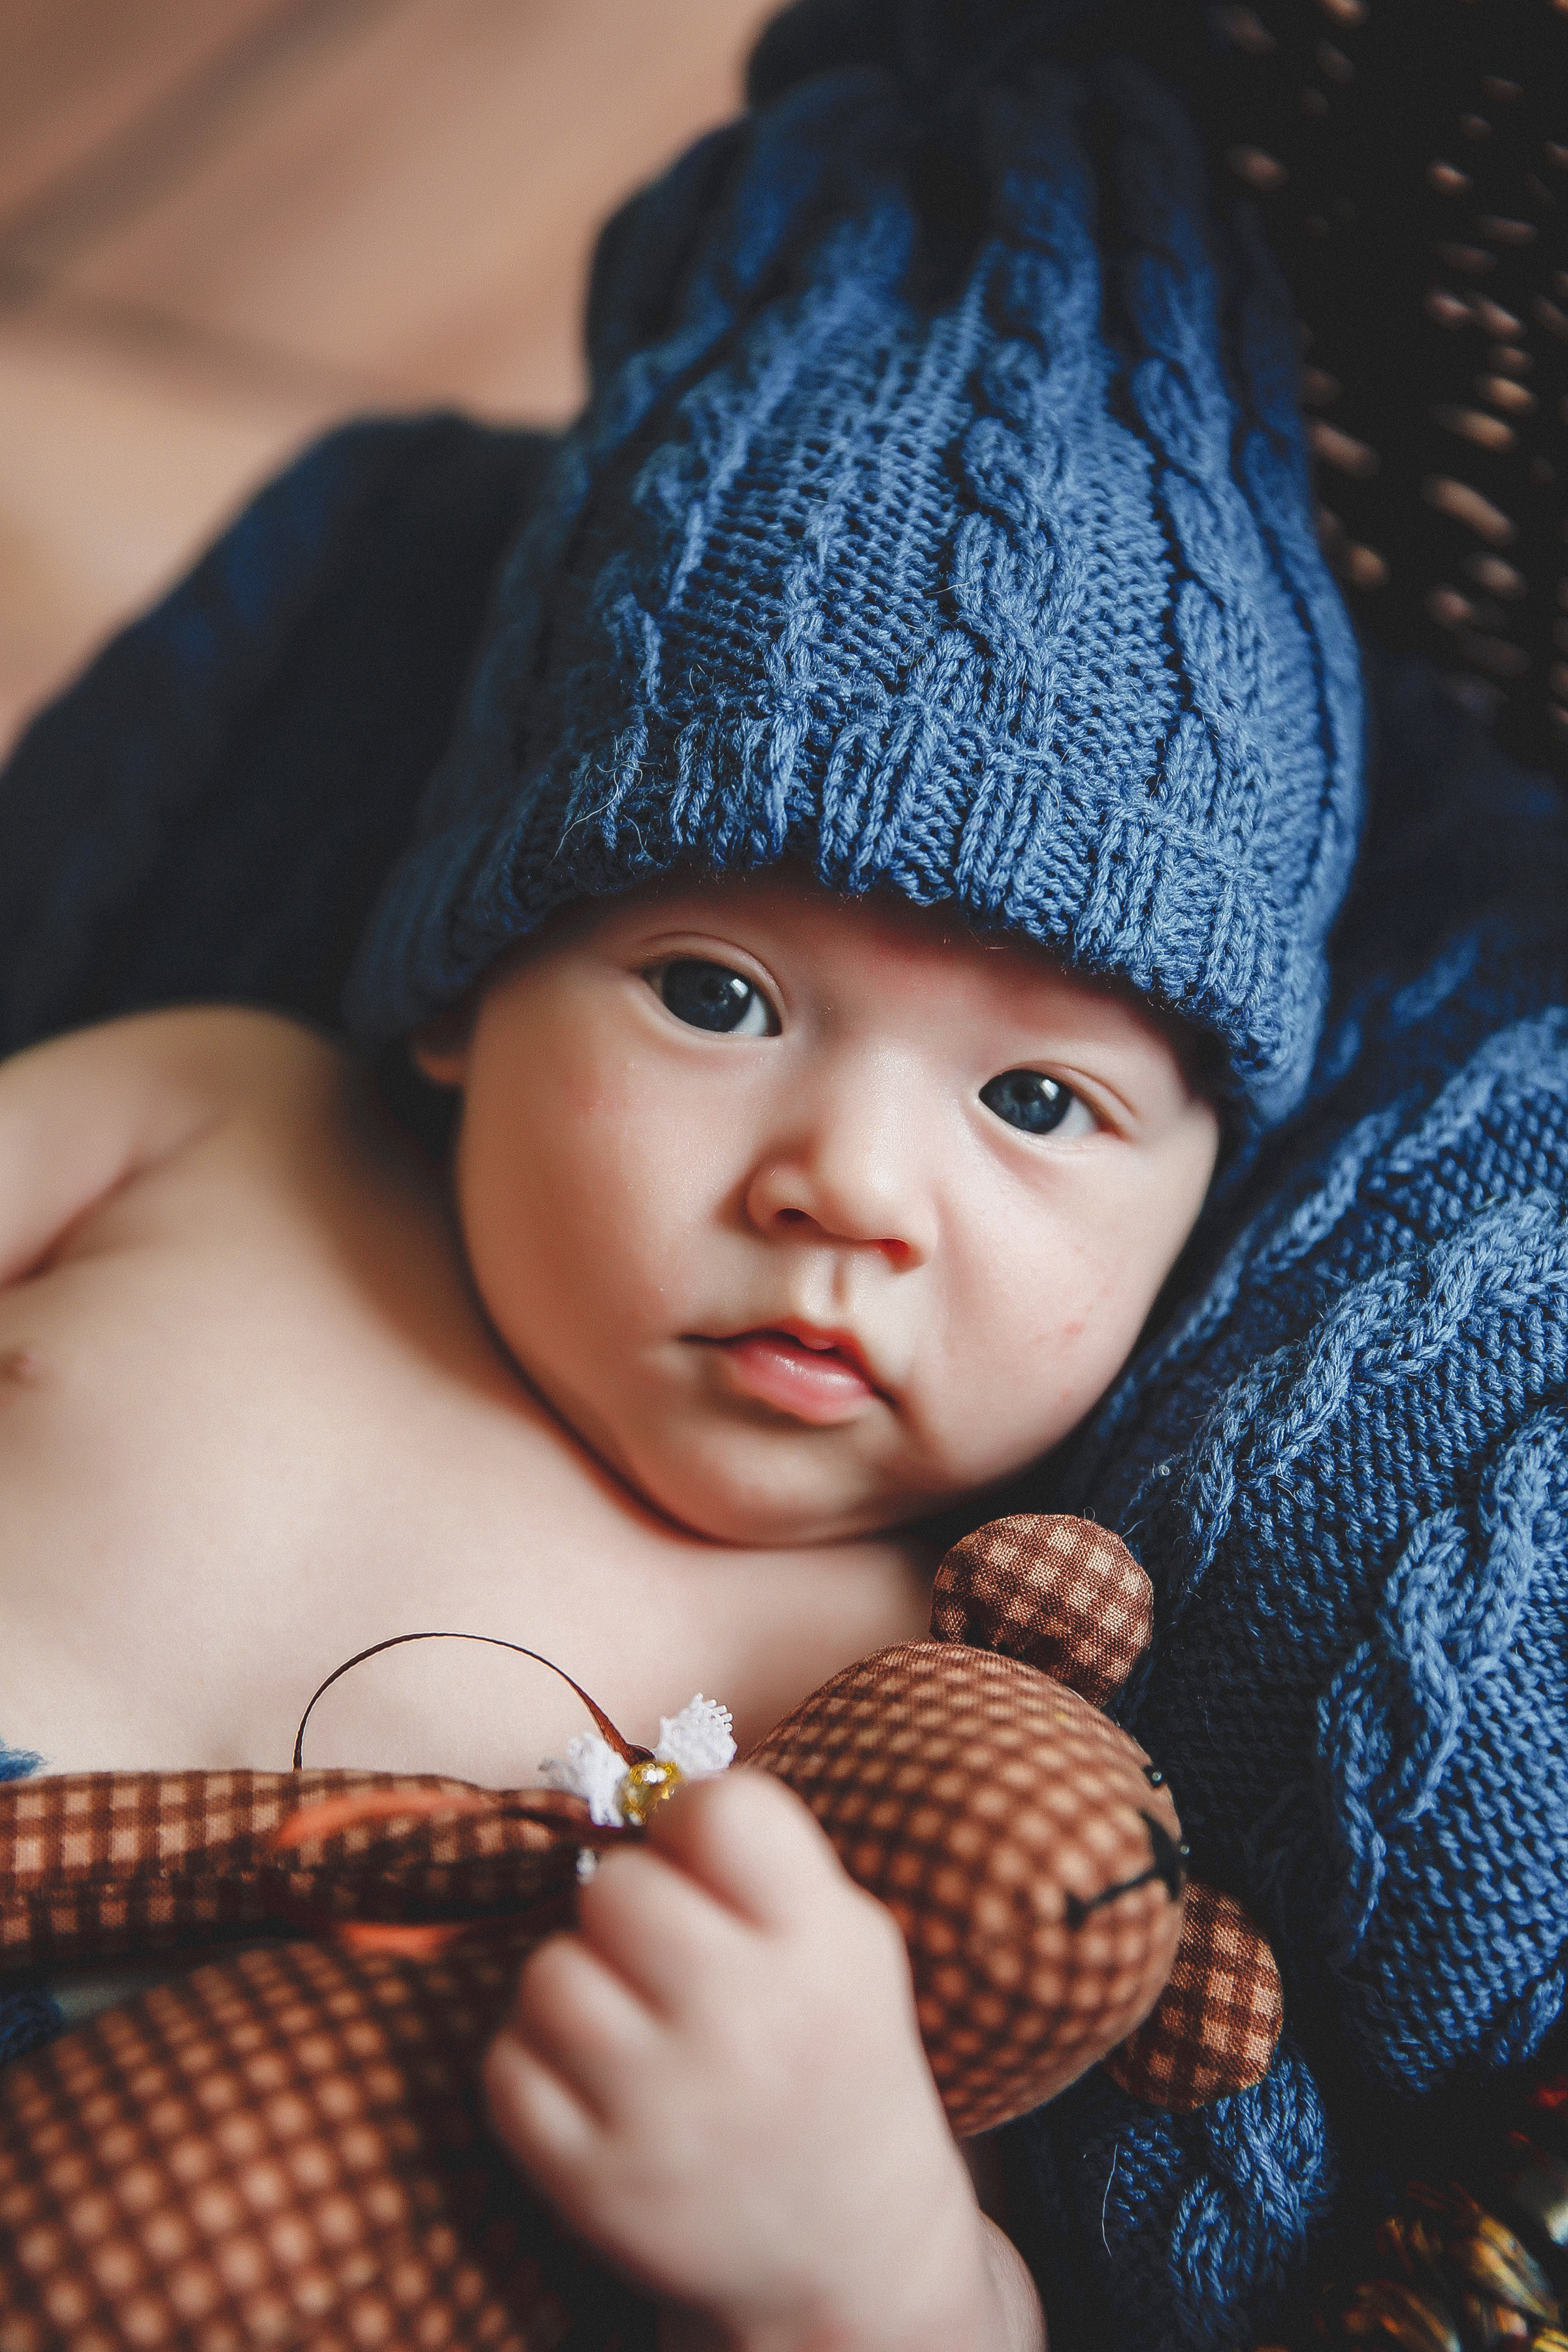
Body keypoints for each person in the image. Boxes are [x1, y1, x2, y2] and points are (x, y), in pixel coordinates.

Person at [0, 20, 1364, 2352]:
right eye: (717, 994)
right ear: (463, 984)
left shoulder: (917, 1704)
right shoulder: (217, 1120)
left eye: (1037, 1109)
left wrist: (865, 2258)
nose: (847, 1184)